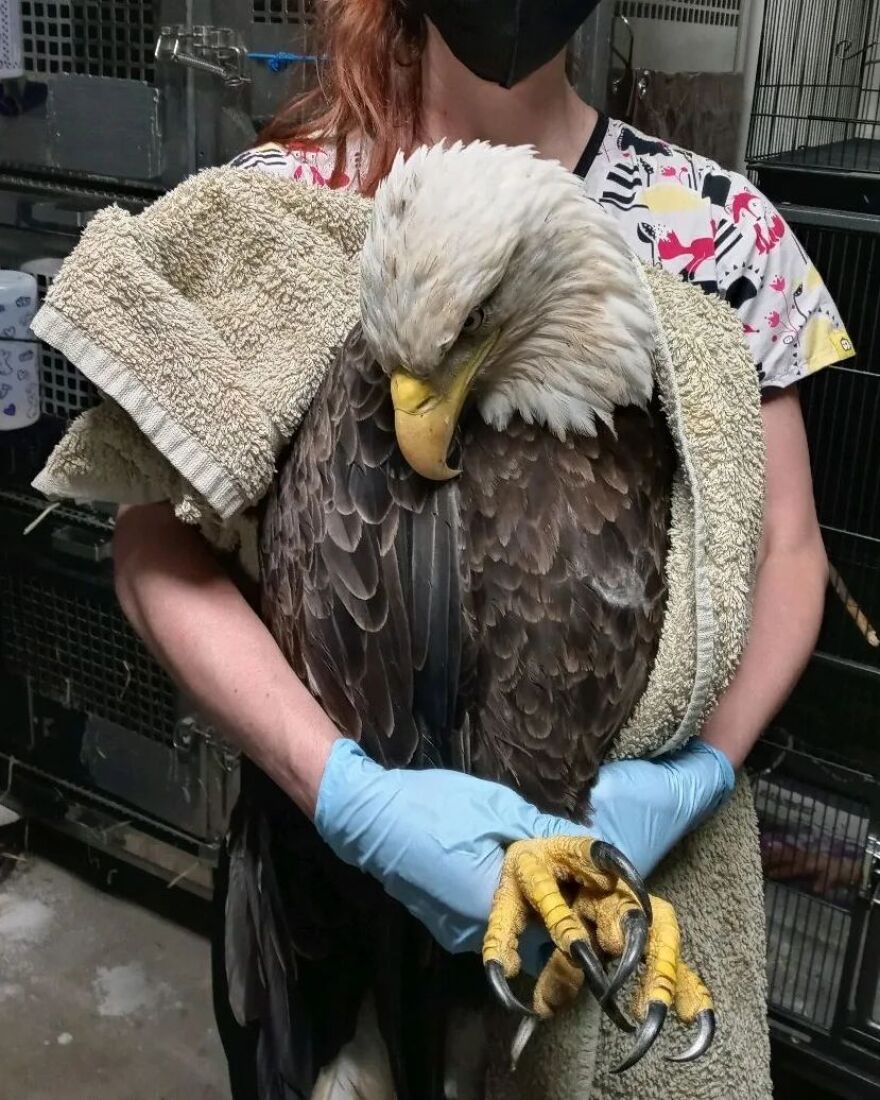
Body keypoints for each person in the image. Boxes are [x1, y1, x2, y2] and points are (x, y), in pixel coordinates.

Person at [113, 0, 844, 1092]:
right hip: (332, 881)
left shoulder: (722, 225)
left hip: (624, 853)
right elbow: (153, 549)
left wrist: (696, 772)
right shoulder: (272, 207)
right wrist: (351, 797)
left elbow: (787, 548)